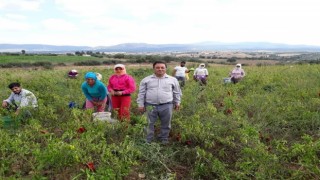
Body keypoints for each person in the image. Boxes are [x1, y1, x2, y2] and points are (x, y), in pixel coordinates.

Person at [137, 61, 182, 144]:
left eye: (162, 67)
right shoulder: (146, 80)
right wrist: (140, 104)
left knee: (166, 124)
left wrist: (177, 102)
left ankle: (164, 138)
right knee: (148, 123)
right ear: (154, 68)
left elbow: (177, 92)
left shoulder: (173, 80)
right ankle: (148, 140)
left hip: (167, 105)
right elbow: (141, 93)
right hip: (150, 105)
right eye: (157, 67)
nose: (160, 69)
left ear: (166, 69)